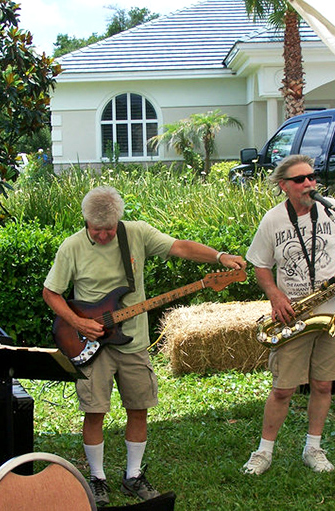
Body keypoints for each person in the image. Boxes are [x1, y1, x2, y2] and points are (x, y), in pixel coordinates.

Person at [43, 186, 246, 505]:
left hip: (133, 342)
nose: (105, 234)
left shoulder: (136, 234)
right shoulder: (71, 247)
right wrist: (80, 323)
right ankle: (97, 479)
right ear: (85, 222)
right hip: (90, 344)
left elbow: (180, 247)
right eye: (98, 230)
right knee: (94, 412)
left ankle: (133, 475)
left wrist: (219, 257)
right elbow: (51, 293)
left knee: (138, 408)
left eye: (110, 228)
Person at [242, 154, 335, 476]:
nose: (309, 183)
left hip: (333, 311)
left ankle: (313, 447)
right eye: (300, 179)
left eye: (312, 176)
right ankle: (264, 452)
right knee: (283, 388)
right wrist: (276, 296)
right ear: (284, 186)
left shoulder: (334, 211)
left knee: (323, 386)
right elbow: (261, 265)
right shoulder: (273, 220)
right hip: (293, 312)